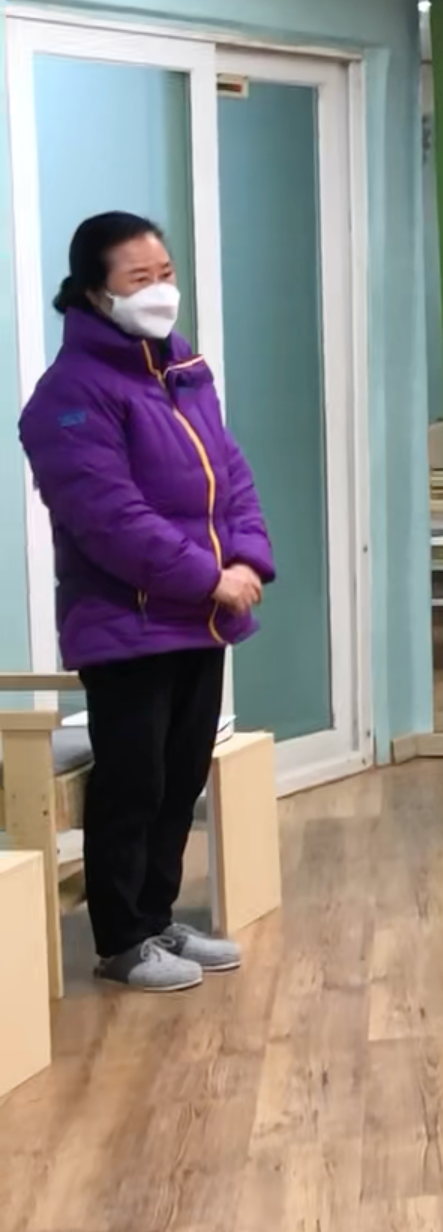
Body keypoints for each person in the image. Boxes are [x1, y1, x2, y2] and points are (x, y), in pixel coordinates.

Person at [20, 212, 272, 993]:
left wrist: (247, 557)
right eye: (140, 278)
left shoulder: (183, 370)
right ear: (95, 292)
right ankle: (121, 939)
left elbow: (230, 474)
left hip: (199, 616)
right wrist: (209, 576)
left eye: (166, 273)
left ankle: (157, 917)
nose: (161, 290)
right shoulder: (69, 397)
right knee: (133, 783)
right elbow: (109, 519)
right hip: (126, 623)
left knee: (179, 774)